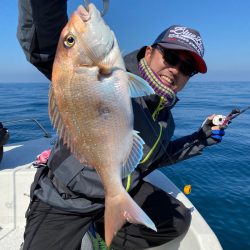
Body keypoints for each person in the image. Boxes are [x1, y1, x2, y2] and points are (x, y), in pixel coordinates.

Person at [17, 1, 226, 249]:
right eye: (170, 57)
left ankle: (103, 231)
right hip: (68, 198)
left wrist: (201, 138)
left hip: (120, 190)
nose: (175, 70)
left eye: (187, 68)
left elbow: (158, 157)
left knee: (177, 220)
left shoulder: (164, 120)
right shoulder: (108, 73)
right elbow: (44, 47)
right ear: (149, 52)